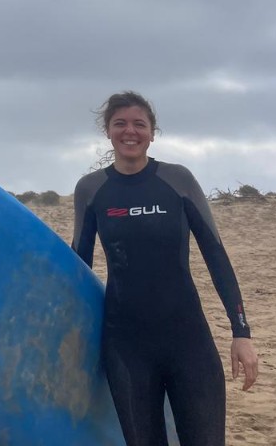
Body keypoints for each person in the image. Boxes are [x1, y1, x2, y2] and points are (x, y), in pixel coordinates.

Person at [72, 90, 258, 446]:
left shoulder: (178, 180)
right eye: (120, 123)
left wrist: (241, 332)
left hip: (188, 341)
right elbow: (78, 268)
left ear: (153, 132)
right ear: (108, 131)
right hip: (126, 348)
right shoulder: (92, 190)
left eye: (139, 124)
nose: (130, 131)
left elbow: (216, 255)